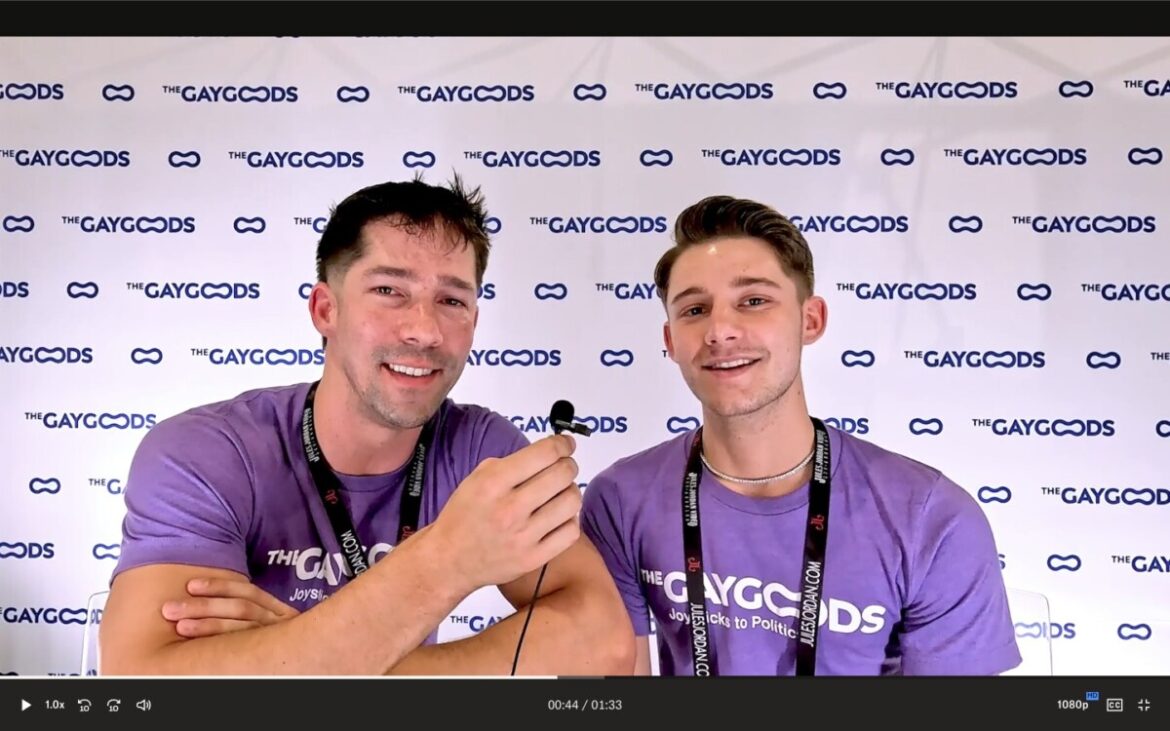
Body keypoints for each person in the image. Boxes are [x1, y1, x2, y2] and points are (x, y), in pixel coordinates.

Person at [100, 176, 636, 676]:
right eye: (389, 291)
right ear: (325, 309)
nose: (424, 330)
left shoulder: (481, 450)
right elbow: (144, 680)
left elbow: (602, 637)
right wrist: (447, 561)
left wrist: (334, 661)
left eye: (451, 300)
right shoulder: (208, 451)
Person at [580, 195, 1022, 676]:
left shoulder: (931, 518)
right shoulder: (620, 500)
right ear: (670, 341)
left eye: (753, 301)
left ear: (810, 321)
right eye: (694, 310)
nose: (720, 330)